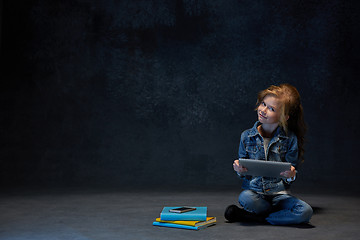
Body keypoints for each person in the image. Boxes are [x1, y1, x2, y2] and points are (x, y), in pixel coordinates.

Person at [224, 83, 313, 225]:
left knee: (305, 211)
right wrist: (239, 169)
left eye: (271, 108)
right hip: (255, 193)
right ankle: (274, 216)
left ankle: (256, 218)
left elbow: (291, 172)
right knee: (245, 198)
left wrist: (291, 175)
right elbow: (244, 173)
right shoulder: (246, 136)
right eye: (263, 104)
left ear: (284, 116)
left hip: (279, 195)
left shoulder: (290, 139)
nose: (263, 110)